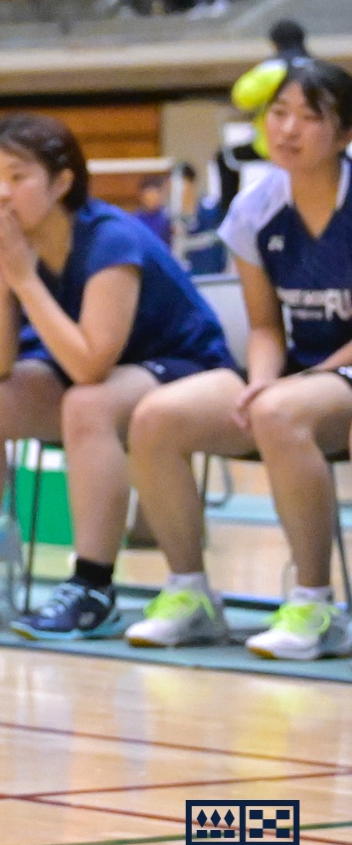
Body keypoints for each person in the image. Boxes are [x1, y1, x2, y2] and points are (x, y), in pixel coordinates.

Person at [0, 114, 231, 639]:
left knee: (87, 403)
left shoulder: (109, 239)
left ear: (61, 182)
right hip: (94, 370)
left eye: (17, 177)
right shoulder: (3, 244)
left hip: (181, 366)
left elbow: (89, 365)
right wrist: (3, 280)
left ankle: (93, 587)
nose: (1, 193)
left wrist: (25, 280)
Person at [123, 60, 352, 658]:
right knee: (155, 418)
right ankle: (190, 594)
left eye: (310, 117)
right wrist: (263, 382)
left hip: (339, 373)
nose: (289, 129)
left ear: (345, 135)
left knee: (279, 413)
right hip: (298, 375)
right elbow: (264, 326)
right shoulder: (255, 208)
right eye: (279, 113)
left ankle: (315, 606)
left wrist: (294, 387)